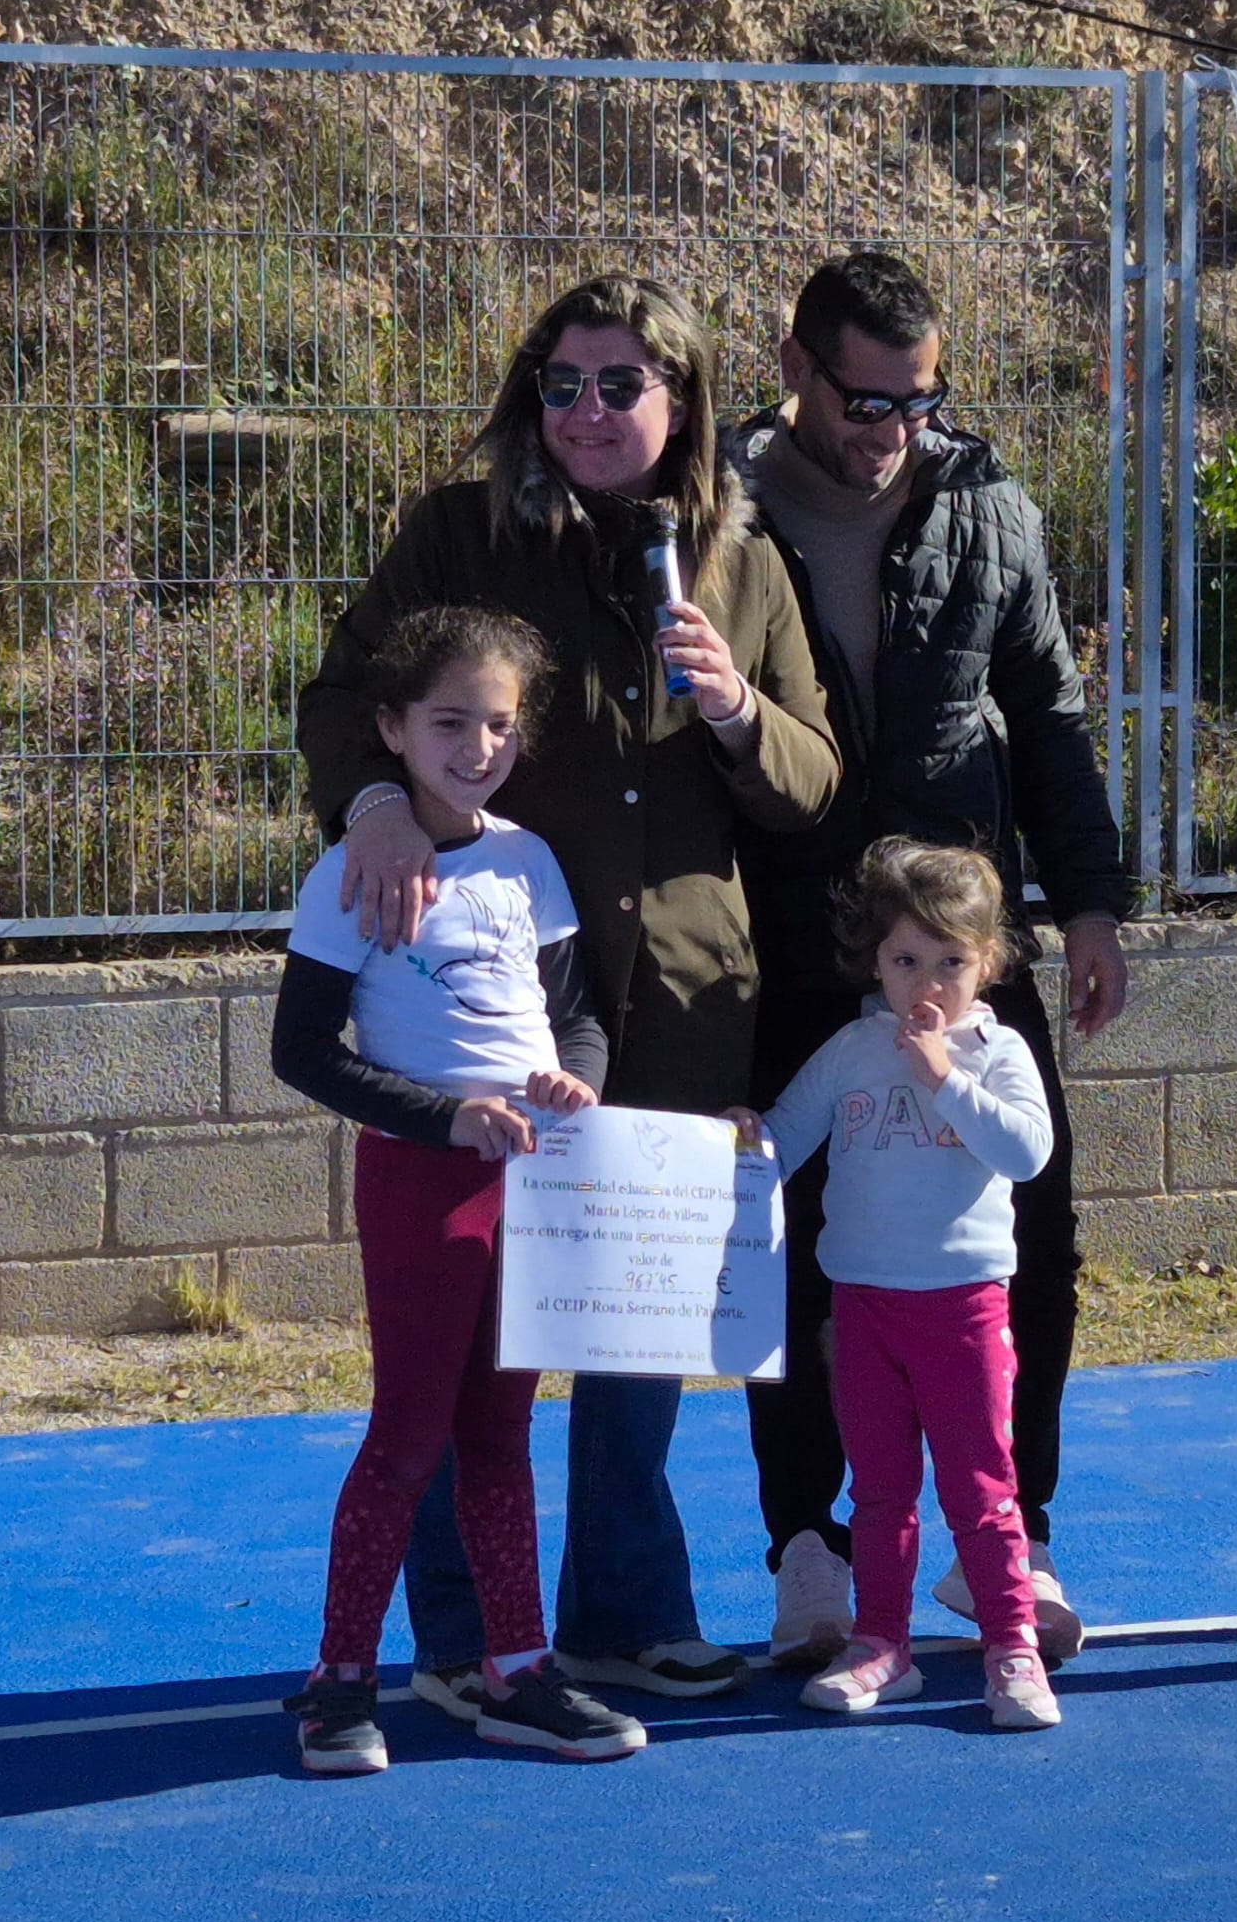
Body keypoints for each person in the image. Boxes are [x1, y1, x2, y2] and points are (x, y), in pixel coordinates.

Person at [296, 276, 841, 1717]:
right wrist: (372, 805)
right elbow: (340, 697)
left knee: (633, 1322)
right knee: (466, 1339)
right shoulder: (458, 533)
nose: (588, 413)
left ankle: (623, 1612)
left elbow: (810, 782)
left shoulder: (739, 553)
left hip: (673, 991)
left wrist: (734, 707)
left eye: (620, 385)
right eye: (561, 383)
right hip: (488, 1006)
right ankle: (465, 1639)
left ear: (683, 402)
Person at [732, 250, 1134, 1672]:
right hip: (786, 942)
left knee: (1034, 1237)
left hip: (968, 941)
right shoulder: (717, 513)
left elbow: (1054, 717)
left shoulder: (987, 506)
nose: (891, 425)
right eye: (862, 398)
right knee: (787, 1242)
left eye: (917, 397)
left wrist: (1087, 902)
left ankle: (1004, 1539)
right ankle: (808, 1550)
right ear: (794, 366)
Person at [271, 605, 647, 1774]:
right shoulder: (354, 871)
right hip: (423, 1180)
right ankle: (341, 1681)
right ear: (389, 728)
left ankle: (518, 1668)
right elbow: (304, 1050)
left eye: (496, 723)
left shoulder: (530, 861)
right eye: (448, 721)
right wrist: (445, 1114)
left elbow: (577, 1014)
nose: (476, 745)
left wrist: (570, 1082)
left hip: (533, 1183)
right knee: (409, 1431)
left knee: (500, 1432)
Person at [726, 839, 1062, 1730]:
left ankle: (1011, 1646)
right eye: (905, 959)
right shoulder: (849, 1050)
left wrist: (945, 1078)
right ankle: (883, 1644)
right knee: (877, 1493)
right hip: (863, 1308)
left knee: (982, 1488)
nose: (927, 982)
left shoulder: (1000, 1054)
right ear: (872, 960)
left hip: (964, 1308)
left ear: (987, 961)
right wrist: (738, 1133)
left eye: (950, 961)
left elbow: (1027, 1155)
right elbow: (784, 1142)